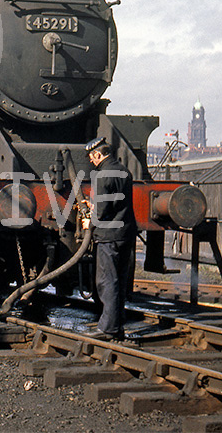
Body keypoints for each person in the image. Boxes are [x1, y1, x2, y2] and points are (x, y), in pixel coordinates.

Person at [82, 136, 136, 341]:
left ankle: (107, 329)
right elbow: (115, 203)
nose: (90, 161)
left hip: (108, 235)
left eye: (91, 157)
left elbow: (103, 209)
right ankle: (117, 325)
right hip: (125, 233)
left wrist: (90, 222)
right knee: (119, 281)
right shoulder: (124, 171)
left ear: (98, 154)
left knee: (107, 281)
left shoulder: (102, 175)